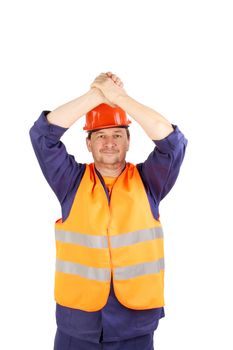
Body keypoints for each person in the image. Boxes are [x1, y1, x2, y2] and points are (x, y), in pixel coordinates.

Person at [29, 72, 188, 350]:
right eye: (100, 135)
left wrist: (119, 98)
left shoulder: (150, 180)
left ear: (128, 141)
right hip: (77, 325)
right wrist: (96, 95)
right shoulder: (70, 181)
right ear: (88, 144)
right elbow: (42, 135)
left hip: (134, 325)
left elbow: (172, 142)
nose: (109, 142)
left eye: (117, 134)